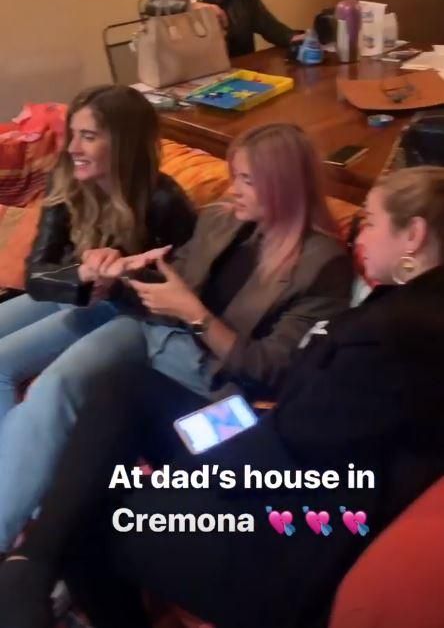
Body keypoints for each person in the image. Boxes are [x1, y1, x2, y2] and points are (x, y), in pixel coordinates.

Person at [0, 166, 443, 628]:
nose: (359, 235)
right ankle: (30, 563)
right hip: (267, 444)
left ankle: (34, 568)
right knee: (127, 386)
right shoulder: (399, 308)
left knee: (88, 514)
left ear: (413, 235)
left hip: (281, 514)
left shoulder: (394, 328)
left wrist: (193, 468)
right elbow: (302, 416)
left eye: (369, 221)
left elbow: (290, 418)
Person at [0, 84, 196, 555]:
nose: (72, 147)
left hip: (136, 315)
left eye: (88, 137)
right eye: (73, 134)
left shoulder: (166, 202)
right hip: (81, 294)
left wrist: (120, 277)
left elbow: (178, 299)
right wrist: (86, 275)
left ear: (123, 143)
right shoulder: (66, 180)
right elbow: (38, 275)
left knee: (51, 381)